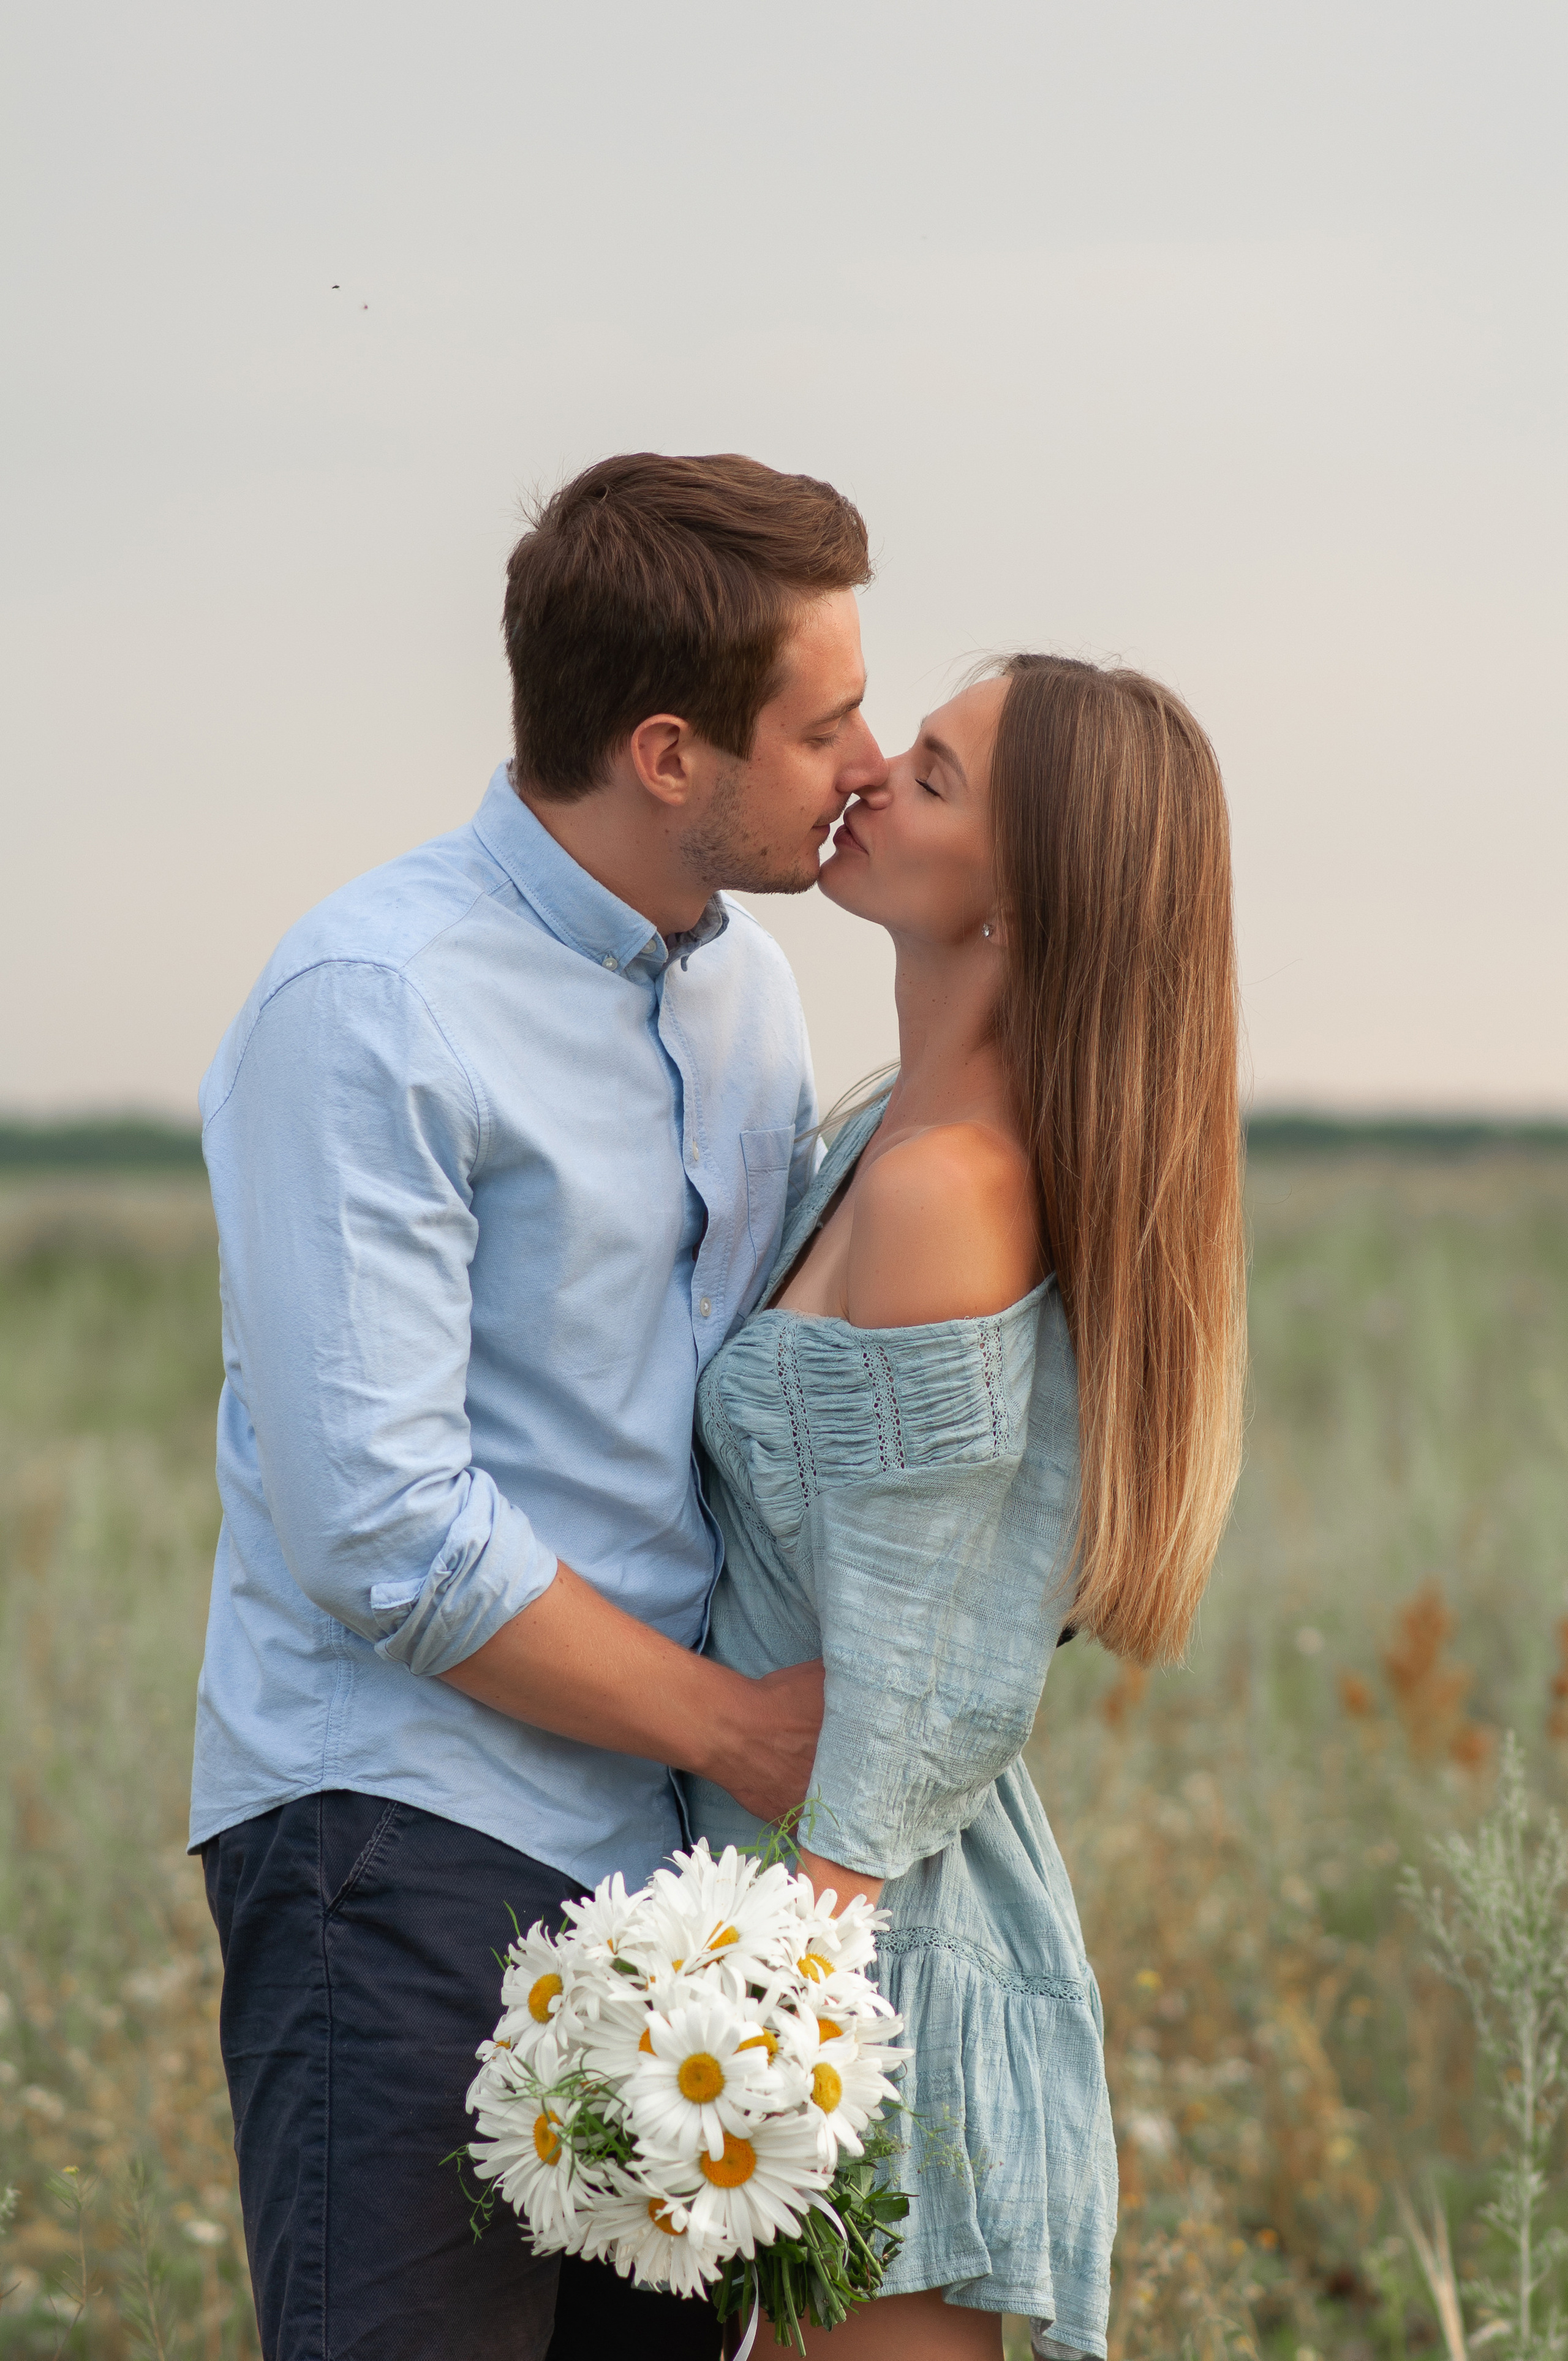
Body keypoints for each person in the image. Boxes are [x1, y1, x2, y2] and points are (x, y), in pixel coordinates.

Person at [191, 452, 889, 2360]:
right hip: (403, 1837)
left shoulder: (749, 999)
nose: (868, 759)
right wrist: (740, 1729)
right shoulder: (372, 1001)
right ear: (668, 753)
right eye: (824, 721)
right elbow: (383, 1527)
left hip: (670, 1883)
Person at [685, 654, 1247, 2357]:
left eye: (930, 775)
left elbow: (934, 1663)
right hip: (807, 1925)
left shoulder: (951, 1190)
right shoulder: (876, 1137)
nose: (865, 774)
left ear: (1024, 897)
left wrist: (776, 2012)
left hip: (875, 1956)